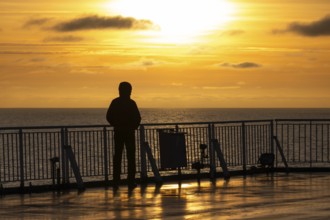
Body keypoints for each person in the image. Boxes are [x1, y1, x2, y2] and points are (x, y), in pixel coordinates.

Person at [106, 82, 141, 189]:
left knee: (118, 157)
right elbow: (138, 118)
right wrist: (132, 127)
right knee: (130, 157)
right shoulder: (131, 103)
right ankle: (131, 181)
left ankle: (116, 181)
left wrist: (116, 124)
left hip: (119, 132)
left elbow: (109, 116)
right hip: (129, 133)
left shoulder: (115, 102)